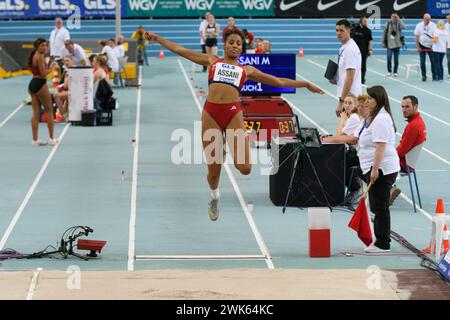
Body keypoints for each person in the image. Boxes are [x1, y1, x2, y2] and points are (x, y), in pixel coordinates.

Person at [144, 29, 324, 221]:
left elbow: (278, 81)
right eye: (231, 42)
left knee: (245, 168)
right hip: (211, 114)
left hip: (232, 114)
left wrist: (304, 84)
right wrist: (157, 38)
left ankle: (227, 145)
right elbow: (180, 49)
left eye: (238, 43)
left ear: (242, 47)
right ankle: (214, 196)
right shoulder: (212, 61)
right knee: (213, 172)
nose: (235, 46)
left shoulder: (247, 70)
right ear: (225, 44)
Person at [352, 86, 400, 253]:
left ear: (378, 100)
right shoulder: (374, 117)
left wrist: (375, 169)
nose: (368, 101)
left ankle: (383, 243)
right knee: (377, 204)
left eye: (371, 99)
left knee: (379, 206)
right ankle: (379, 238)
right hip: (371, 166)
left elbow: (380, 146)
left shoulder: (380, 119)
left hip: (382, 168)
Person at [321, 94, 370, 205]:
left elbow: (340, 137)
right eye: (345, 103)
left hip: (360, 154)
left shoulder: (353, 118)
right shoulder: (355, 118)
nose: (347, 105)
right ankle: (353, 187)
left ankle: (355, 189)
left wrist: (342, 119)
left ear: (355, 105)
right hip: (358, 152)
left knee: (338, 160)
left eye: (350, 103)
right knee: (340, 157)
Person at [390, 95, 427, 205]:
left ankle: (386, 190)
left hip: (404, 163)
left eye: (407, 107)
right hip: (408, 162)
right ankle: (389, 188)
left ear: (415, 107)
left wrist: (388, 155)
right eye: (402, 107)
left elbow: (401, 150)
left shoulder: (413, 126)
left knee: (375, 162)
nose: (404, 110)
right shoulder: (418, 122)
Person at [28, 38, 58, 146]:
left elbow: (37, 70)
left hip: (33, 84)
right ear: (37, 47)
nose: (45, 47)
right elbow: (43, 74)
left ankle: (35, 140)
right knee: (49, 111)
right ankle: (52, 139)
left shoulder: (34, 55)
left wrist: (49, 63)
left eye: (46, 45)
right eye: (42, 45)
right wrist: (52, 67)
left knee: (36, 114)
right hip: (40, 84)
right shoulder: (40, 56)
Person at [331, 19, 362, 117]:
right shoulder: (345, 47)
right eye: (337, 30)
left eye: (341, 30)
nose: (338, 33)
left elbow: (350, 77)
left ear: (349, 31)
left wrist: (341, 102)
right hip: (349, 96)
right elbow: (346, 73)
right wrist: (337, 79)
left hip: (350, 98)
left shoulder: (349, 50)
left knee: (346, 129)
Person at [382, 13, 405, 78]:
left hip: (397, 44)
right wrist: (383, 42)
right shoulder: (388, 23)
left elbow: (404, 27)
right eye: (393, 16)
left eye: (395, 17)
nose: (394, 18)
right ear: (391, 17)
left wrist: (399, 19)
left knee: (396, 59)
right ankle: (389, 71)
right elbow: (384, 33)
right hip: (389, 44)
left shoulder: (399, 23)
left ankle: (395, 71)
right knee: (389, 57)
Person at [415, 14, 437, 81]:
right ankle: (423, 76)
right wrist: (418, 46)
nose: (426, 20)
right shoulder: (419, 25)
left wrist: (435, 45)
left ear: (430, 19)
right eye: (425, 19)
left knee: (433, 61)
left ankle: (434, 75)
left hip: (431, 46)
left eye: (427, 19)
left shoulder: (433, 25)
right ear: (423, 18)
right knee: (422, 62)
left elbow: (436, 36)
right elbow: (416, 36)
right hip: (422, 45)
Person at [352, 16, 373, 84]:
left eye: (367, 21)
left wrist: (370, 49)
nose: (366, 22)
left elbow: (370, 41)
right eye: (365, 21)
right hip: (355, 51)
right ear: (361, 22)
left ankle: (362, 79)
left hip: (364, 51)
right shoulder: (355, 29)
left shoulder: (368, 30)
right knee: (355, 65)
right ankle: (355, 78)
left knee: (363, 65)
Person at [53, 55, 75, 121]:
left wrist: (66, 77)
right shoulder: (67, 70)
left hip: (75, 91)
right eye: (65, 61)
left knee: (56, 96)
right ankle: (64, 116)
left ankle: (63, 116)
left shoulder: (72, 70)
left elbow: (66, 85)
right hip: (70, 91)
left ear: (72, 61)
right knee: (62, 96)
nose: (66, 63)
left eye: (68, 61)